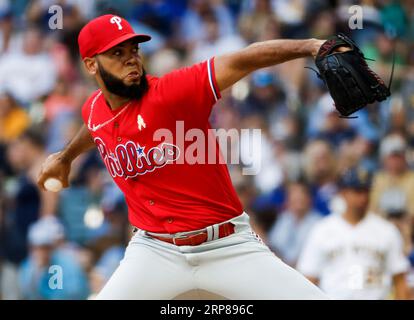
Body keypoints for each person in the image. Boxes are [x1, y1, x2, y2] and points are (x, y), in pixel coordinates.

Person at [37, 14, 330, 299]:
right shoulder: (94, 108)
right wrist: (65, 157)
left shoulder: (172, 93)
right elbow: (94, 128)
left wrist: (310, 46)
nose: (131, 58)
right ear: (91, 65)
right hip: (155, 251)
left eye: (134, 50)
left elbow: (244, 59)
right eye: (117, 53)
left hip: (224, 244)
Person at [297, 167, 411, 300]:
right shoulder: (322, 230)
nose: (363, 197)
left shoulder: (386, 230)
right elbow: (309, 279)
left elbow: (400, 280)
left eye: (366, 191)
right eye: (357, 191)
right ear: (344, 193)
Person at [267, 182, 322, 267]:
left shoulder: (318, 222)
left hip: (307, 269)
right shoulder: (283, 219)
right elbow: (273, 245)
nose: (297, 198)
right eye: (293, 195)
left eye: (301, 195)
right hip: (281, 267)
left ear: (309, 199)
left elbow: (314, 252)